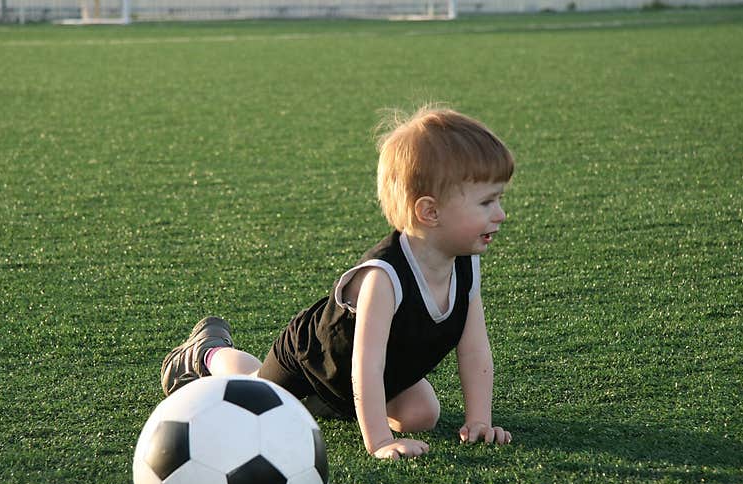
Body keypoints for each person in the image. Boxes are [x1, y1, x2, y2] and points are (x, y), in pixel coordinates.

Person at [160, 105, 514, 460]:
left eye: (498, 199)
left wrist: (479, 420)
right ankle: (207, 353)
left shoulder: (466, 267)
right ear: (430, 212)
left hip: (371, 379)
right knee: (255, 396)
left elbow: (473, 350)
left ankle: (332, 405)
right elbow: (366, 364)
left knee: (421, 415)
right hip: (311, 361)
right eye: (487, 202)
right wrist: (379, 442)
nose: (500, 214)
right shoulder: (384, 277)